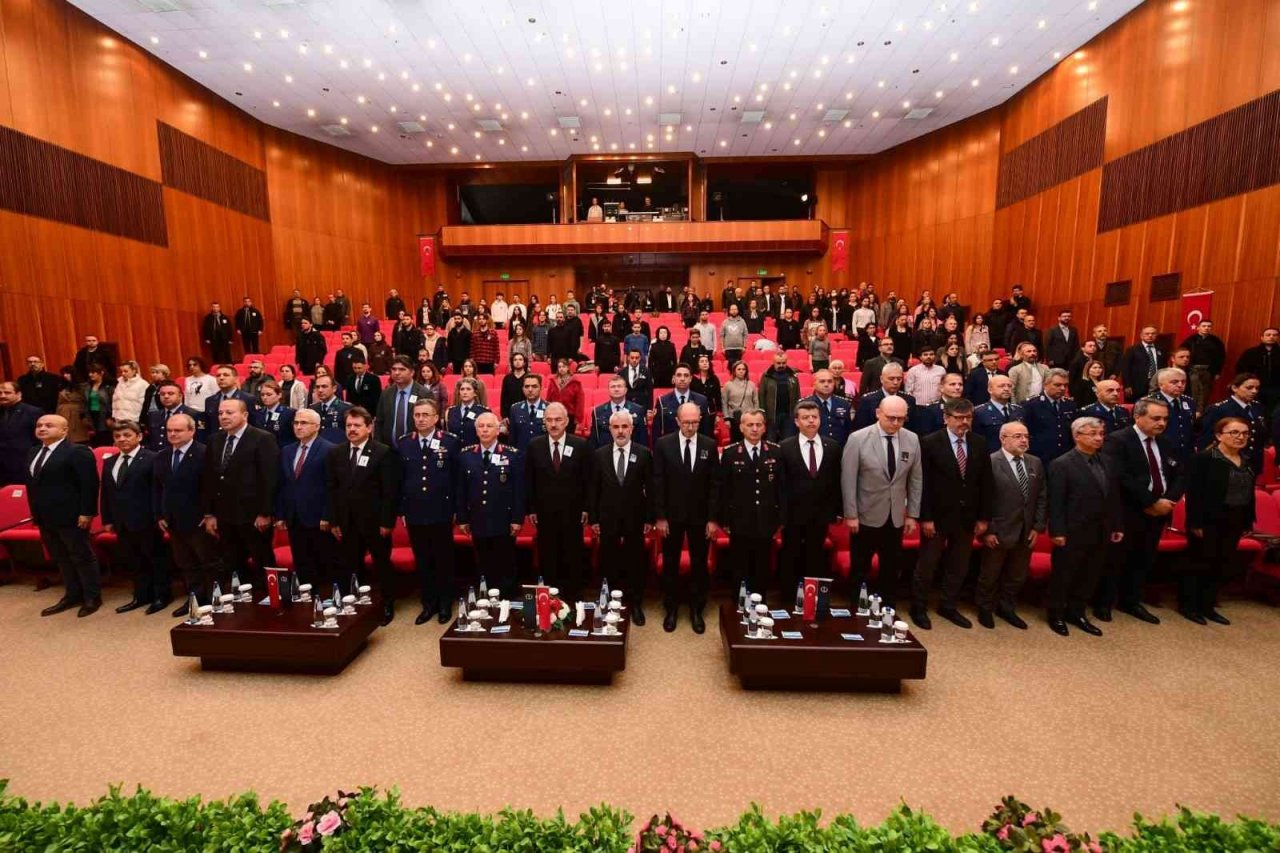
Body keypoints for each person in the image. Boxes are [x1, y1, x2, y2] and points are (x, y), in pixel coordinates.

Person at [1093, 397, 1182, 625]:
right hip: (1129, 510)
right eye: (1156, 418)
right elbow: (1120, 476)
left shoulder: (1166, 442)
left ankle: (1131, 601)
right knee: (1116, 558)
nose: (1161, 423)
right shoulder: (1117, 440)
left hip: (1160, 511)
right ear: (1138, 416)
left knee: (1143, 558)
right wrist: (1151, 501)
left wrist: (1169, 500)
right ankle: (1103, 602)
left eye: (1165, 419)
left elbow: (1181, 473)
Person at [912, 399, 992, 629]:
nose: (964, 422)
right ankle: (919, 607)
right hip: (936, 517)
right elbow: (923, 483)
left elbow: (985, 483)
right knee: (927, 565)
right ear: (946, 418)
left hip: (967, 517)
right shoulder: (929, 442)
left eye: (968, 417)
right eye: (958, 417)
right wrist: (925, 517)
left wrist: (983, 517)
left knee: (959, 565)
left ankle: (948, 605)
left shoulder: (979, 443)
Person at [1046, 417, 1124, 637]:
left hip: (1101, 529)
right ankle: (1056, 615)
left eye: (1101, 433)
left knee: (1090, 574)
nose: (1099, 438)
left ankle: (1077, 612)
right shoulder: (1061, 464)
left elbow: (1113, 496)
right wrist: (1057, 531)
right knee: (1064, 575)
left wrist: (1117, 524)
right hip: (1072, 530)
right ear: (1077, 436)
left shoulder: (1107, 461)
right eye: (1093, 434)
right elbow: (1056, 502)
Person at [841, 396, 922, 607]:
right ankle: (856, 607)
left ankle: (887, 607)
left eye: (901, 419)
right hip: (865, 515)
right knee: (860, 567)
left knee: (891, 566)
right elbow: (848, 480)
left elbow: (915, 479)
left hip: (895, 517)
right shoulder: (858, 439)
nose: (896, 423)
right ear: (878, 413)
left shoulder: (912, 439)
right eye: (891, 418)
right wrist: (851, 515)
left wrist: (912, 514)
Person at [323, 407, 399, 625]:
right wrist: (333, 519)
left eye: (357, 425)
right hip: (346, 522)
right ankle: (354, 602)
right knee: (349, 565)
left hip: (375, 523)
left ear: (369, 427)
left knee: (381, 564)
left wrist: (387, 522)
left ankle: (386, 604)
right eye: (349, 426)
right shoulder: (336, 453)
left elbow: (389, 492)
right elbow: (332, 489)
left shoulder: (382, 452)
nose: (352, 430)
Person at [653, 402, 719, 633]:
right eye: (686, 422)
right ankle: (671, 608)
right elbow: (658, 483)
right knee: (670, 564)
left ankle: (696, 609)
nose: (691, 426)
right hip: (671, 517)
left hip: (701, 518)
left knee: (699, 564)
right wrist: (660, 517)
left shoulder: (709, 445)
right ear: (678, 421)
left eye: (695, 422)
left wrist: (712, 519)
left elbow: (714, 485)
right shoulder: (663, 444)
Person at [27, 415, 102, 616]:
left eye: (49, 425)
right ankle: (72, 594)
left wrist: (87, 512)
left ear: (64, 430)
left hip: (72, 515)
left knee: (81, 556)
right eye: (39, 425)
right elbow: (32, 487)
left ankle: (92, 596)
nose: (42, 428)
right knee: (61, 558)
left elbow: (89, 484)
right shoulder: (34, 452)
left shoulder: (77, 451)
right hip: (45, 516)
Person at [1182, 416, 1254, 625]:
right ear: (1218, 435)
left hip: (1235, 518)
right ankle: (1190, 606)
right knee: (1200, 562)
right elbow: (1193, 494)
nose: (1240, 437)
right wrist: (1195, 523)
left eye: (1244, 433)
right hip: (1207, 520)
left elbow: (1249, 493)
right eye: (1234, 433)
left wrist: (1247, 521)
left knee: (1221, 563)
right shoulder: (1204, 459)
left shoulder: (1247, 459)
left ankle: (1208, 605)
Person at [201, 398, 278, 590]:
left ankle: (271, 601)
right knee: (233, 562)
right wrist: (209, 513)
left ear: (244, 415)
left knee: (263, 561)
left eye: (229, 412)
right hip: (225, 514)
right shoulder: (214, 440)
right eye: (220, 413)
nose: (224, 417)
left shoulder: (262, 438)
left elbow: (269, 478)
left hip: (253, 514)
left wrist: (265, 513)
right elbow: (210, 478)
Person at [586, 409, 654, 624]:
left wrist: (649, 518)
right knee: (609, 561)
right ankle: (610, 602)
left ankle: (635, 604)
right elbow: (593, 490)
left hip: (635, 517)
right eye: (616, 427)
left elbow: (651, 489)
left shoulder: (644, 453)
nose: (621, 431)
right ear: (610, 430)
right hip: (608, 518)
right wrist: (594, 519)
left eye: (625, 426)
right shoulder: (599, 454)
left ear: (632, 429)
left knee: (635, 562)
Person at [396, 399, 460, 624]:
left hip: (441, 509)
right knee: (422, 559)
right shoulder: (404, 443)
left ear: (436, 418)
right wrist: (402, 509)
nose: (421, 419)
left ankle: (445, 603)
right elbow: (400, 480)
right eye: (417, 415)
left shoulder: (451, 442)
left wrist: (456, 509)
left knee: (443, 558)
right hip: (415, 510)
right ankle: (428, 603)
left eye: (425, 415)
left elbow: (457, 479)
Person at [978, 421, 1045, 629]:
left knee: (1016, 575)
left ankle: (1007, 608)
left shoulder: (1035, 462)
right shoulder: (990, 462)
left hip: (1026, 531)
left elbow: (1042, 496)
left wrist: (1037, 527)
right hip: (999, 530)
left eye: (1025, 436)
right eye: (1017, 436)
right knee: (990, 574)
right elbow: (983, 499)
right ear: (1002, 439)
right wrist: (988, 530)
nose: (1023, 440)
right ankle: (985, 609)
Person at [96, 420, 165, 614]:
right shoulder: (110, 461)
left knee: (155, 559)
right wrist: (107, 519)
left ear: (139, 436)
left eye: (127, 435)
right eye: (118, 436)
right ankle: (141, 596)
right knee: (134, 561)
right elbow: (107, 493)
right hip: (121, 521)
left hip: (147, 520)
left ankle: (161, 596)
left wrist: (158, 516)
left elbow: (157, 491)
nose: (122, 439)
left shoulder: (152, 458)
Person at [525, 402, 592, 599]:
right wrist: (532, 509)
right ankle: (550, 597)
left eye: (558, 420)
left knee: (572, 553)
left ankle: (572, 596)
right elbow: (529, 480)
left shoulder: (580, 445)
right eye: (549, 420)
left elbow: (588, 480)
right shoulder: (534, 445)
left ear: (566, 421)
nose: (554, 424)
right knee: (548, 554)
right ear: (544, 422)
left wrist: (587, 507)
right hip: (544, 512)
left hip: (573, 512)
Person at [153, 413, 218, 615]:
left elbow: (212, 487)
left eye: (178, 430)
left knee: (208, 562)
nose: (172, 434)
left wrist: (209, 514)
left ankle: (214, 600)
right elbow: (158, 488)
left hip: (198, 519)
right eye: (169, 430)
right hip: (173, 519)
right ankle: (195, 599)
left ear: (192, 431)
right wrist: (161, 515)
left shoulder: (205, 453)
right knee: (186, 563)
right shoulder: (162, 455)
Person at [777, 400, 841, 604]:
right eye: (806, 418)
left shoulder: (832, 446)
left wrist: (837, 510)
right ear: (797, 422)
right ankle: (788, 599)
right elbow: (781, 484)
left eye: (815, 417)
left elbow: (836, 481)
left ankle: (813, 600)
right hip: (793, 516)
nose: (811, 421)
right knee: (791, 557)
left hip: (821, 515)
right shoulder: (784, 447)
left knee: (816, 558)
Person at [457, 412, 526, 596]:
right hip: (478, 518)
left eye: (489, 426)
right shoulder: (466, 456)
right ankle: (486, 597)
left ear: (498, 430)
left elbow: (519, 490)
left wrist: (517, 518)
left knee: (505, 561)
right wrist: (462, 518)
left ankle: (507, 599)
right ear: (476, 431)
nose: (485, 430)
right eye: (481, 426)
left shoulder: (512, 455)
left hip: (504, 518)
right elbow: (461, 490)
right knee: (483, 561)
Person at [274, 408, 335, 587]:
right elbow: (282, 485)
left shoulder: (329, 449)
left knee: (325, 563)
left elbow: (332, 487)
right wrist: (280, 515)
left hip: (319, 518)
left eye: (303, 423)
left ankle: (327, 601)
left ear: (317, 426)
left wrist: (328, 515)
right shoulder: (287, 450)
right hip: (294, 517)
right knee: (302, 563)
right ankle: (307, 601)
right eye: (296, 423)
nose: (298, 427)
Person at [1200, 373, 1269, 472]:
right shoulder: (1219, 409)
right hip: (1227, 461)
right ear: (1235, 388)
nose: (1254, 391)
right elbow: (1207, 439)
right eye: (1249, 388)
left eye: (1257, 388)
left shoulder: (1258, 407)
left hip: (1253, 462)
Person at [1024, 369, 1076, 462]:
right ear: (1045, 384)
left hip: (1066, 456)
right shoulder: (1031, 405)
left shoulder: (1069, 404)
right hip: (1042, 457)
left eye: (1065, 385)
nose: (1063, 388)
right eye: (1057, 385)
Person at [653, 364, 712, 443]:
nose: (682, 379)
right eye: (679, 375)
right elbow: (656, 432)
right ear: (673, 378)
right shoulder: (662, 402)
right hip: (670, 448)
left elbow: (706, 431)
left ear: (691, 378)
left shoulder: (701, 401)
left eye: (686, 375)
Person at [852, 363, 917, 432]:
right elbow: (860, 429)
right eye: (891, 379)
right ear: (881, 379)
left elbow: (913, 428)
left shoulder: (909, 400)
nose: (895, 382)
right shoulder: (868, 400)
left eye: (899, 379)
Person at [0, 381, 42, 488]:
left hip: (23, 464)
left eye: (7, 393)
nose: (2, 396)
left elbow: (40, 440)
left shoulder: (33, 412)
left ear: (19, 394)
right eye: (0, 393)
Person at [591, 376, 649, 450]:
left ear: (626, 390)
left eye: (619, 386)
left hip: (631, 452)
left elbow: (642, 438)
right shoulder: (598, 411)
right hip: (605, 454)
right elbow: (594, 439)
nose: (616, 389)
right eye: (613, 387)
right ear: (608, 390)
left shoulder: (638, 410)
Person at [202, 365, 258, 441]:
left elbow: (254, 425)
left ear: (235, 379)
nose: (221, 378)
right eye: (218, 376)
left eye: (226, 375)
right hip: (217, 443)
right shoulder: (210, 400)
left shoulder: (248, 399)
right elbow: (209, 426)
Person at [1180, 319, 1226, 411]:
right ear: (1198, 328)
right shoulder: (1191, 340)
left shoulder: (1216, 341)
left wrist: (1217, 371)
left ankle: (1201, 412)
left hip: (1208, 371)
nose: (1206, 328)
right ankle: (1190, 411)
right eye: (1204, 326)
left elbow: (1221, 357)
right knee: (1193, 391)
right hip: (1193, 370)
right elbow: (1182, 353)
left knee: (1205, 393)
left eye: (1209, 326)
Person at [800, 369, 854, 446]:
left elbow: (847, 429)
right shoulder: (804, 404)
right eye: (822, 381)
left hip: (839, 449)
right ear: (814, 384)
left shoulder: (843, 403)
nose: (826, 384)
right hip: (814, 448)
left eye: (830, 381)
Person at [1235, 327, 1280, 414]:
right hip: (1255, 388)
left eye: (1274, 335)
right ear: (1262, 337)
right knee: (1255, 411)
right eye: (1268, 335)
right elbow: (1241, 370)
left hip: (1276, 389)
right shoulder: (1251, 352)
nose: (1271, 337)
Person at [759, 350, 801, 442]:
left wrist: (796, 413)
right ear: (773, 362)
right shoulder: (766, 376)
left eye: (783, 363)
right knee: (771, 441)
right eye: (778, 363)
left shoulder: (793, 375)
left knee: (788, 441)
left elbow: (798, 396)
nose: (781, 365)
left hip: (788, 415)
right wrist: (763, 414)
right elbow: (761, 395)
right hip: (771, 416)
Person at [1120, 326, 1166, 401]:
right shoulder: (1132, 349)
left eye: (1153, 334)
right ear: (1141, 336)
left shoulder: (1161, 349)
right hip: (1137, 386)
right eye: (1147, 334)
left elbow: (1164, 367)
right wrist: (1127, 385)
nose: (1150, 335)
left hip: (1157, 385)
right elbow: (1126, 368)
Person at [507, 373, 549, 451]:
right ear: (522, 389)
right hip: (521, 457)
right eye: (527, 386)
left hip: (542, 456)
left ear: (541, 388)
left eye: (534, 386)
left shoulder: (549, 408)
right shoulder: (515, 409)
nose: (530, 390)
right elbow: (512, 439)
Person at [249, 380, 297, 446]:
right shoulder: (258, 413)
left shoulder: (289, 413)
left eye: (269, 394)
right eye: (262, 395)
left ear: (279, 395)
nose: (265, 398)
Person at [721, 360, 759, 444]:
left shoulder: (751, 384)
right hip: (734, 418)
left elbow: (756, 402)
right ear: (734, 371)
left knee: (749, 440)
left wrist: (756, 416)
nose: (741, 371)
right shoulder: (728, 385)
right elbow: (724, 402)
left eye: (743, 369)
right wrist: (726, 418)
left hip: (749, 417)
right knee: (735, 441)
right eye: (739, 369)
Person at [545, 358, 585, 432]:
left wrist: (578, 420)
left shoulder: (575, 383)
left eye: (563, 367)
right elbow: (548, 399)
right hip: (554, 414)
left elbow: (580, 402)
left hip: (569, 415)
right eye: (559, 367)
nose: (561, 369)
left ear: (567, 368)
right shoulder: (553, 381)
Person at [309, 375, 352, 444]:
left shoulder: (346, 408)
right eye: (317, 387)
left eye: (324, 386)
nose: (320, 390)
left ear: (334, 388)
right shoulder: (312, 409)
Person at [445, 378, 489, 446]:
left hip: (474, 452)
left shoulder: (483, 412)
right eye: (462, 389)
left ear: (475, 393)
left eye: (468, 389)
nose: (464, 392)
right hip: (455, 453)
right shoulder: (451, 411)